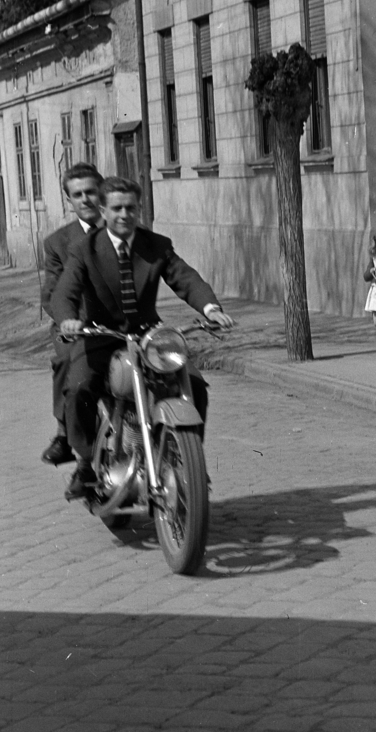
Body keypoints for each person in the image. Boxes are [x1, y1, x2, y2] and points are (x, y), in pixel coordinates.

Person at [52, 176, 233, 499]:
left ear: (139, 210)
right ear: (103, 211)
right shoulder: (85, 249)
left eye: (131, 208)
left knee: (195, 386)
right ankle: (84, 463)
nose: (124, 215)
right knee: (78, 389)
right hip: (100, 336)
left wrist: (209, 308)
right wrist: (67, 319)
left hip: (148, 335)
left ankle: (185, 459)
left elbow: (184, 277)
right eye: (117, 208)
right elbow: (66, 290)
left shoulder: (156, 245)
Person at [39, 163, 103, 465]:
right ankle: (65, 433)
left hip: (118, 325)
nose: (86, 199)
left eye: (91, 191)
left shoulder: (123, 229)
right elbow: (51, 293)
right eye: (78, 194)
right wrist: (67, 320)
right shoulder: (57, 242)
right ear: (70, 200)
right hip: (76, 326)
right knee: (66, 359)